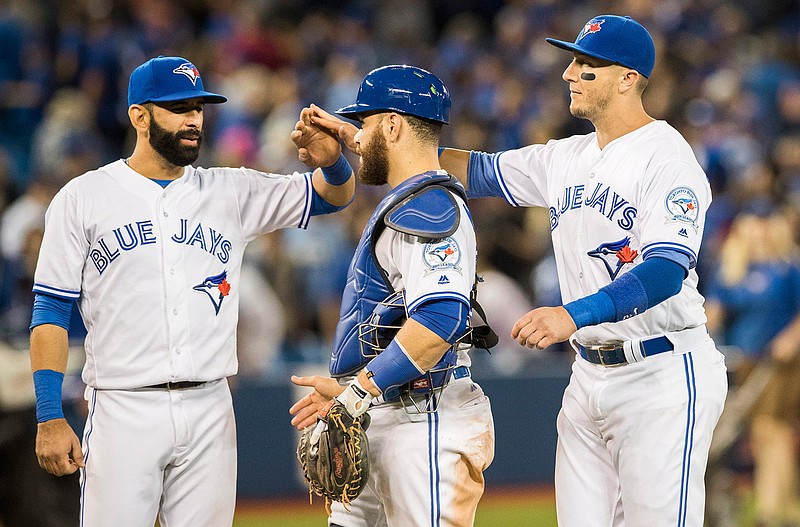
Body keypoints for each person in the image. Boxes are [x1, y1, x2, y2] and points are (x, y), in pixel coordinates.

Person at [309, 15, 728, 527]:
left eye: (586, 65)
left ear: (628, 78)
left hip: (663, 369)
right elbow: (467, 167)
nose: (569, 73)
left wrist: (571, 315)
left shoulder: (667, 158)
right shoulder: (567, 156)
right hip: (588, 373)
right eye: (571, 61)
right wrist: (373, 136)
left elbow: (666, 270)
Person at [29, 55, 355, 526]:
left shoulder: (230, 190)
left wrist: (334, 162)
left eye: (198, 108)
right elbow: (50, 311)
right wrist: (48, 413)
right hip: (124, 407)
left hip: (210, 406)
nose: (193, 120)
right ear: (139, 116)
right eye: (178, 108)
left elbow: (331, 196)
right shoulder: (83, 198)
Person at [288, 65, 495, 527]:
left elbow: (441, 320)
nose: (358, 136)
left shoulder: (430, 207)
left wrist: (356, 393)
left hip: (424, 422)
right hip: (385, 408)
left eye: (365, 123)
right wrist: (353, 394)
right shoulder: (411, 198)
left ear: (394, 125)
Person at [704, 204, 800, 526]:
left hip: (777, 363)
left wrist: (791, 338)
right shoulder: (731, 268)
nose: (756, 230)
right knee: (739, 439)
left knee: (771, 432)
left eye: (762, 223)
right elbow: (714, 311)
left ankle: (771, 511)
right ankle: (771, 509)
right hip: (738, 363)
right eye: (750, 224)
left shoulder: (787, 268)